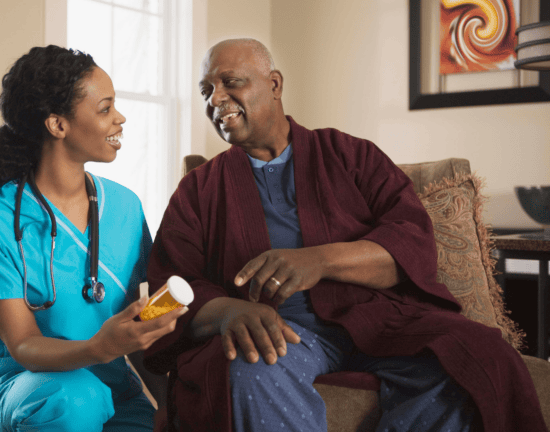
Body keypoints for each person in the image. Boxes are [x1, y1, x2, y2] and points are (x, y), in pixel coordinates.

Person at [143, 39, 547, 432]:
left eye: (231, 82)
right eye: (206, 90)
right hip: (280, 331)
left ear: (275, 84)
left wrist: (319, 260)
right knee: (251, 369)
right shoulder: (198, 190)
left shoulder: (352, 156)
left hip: (380, 320)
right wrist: (228, 310)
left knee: (476, 358)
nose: (216, 98)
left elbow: (413, 242)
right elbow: (162, 297)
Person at [0, 45, 186, 432]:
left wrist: (167, 400)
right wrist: (101, 347)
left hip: (113, 390)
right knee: (76, 400)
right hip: (27, 392)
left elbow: (138, 322)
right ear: (58, 124)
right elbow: (24, 345)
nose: (120, 118)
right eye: (105, 108)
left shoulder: (125, 207)